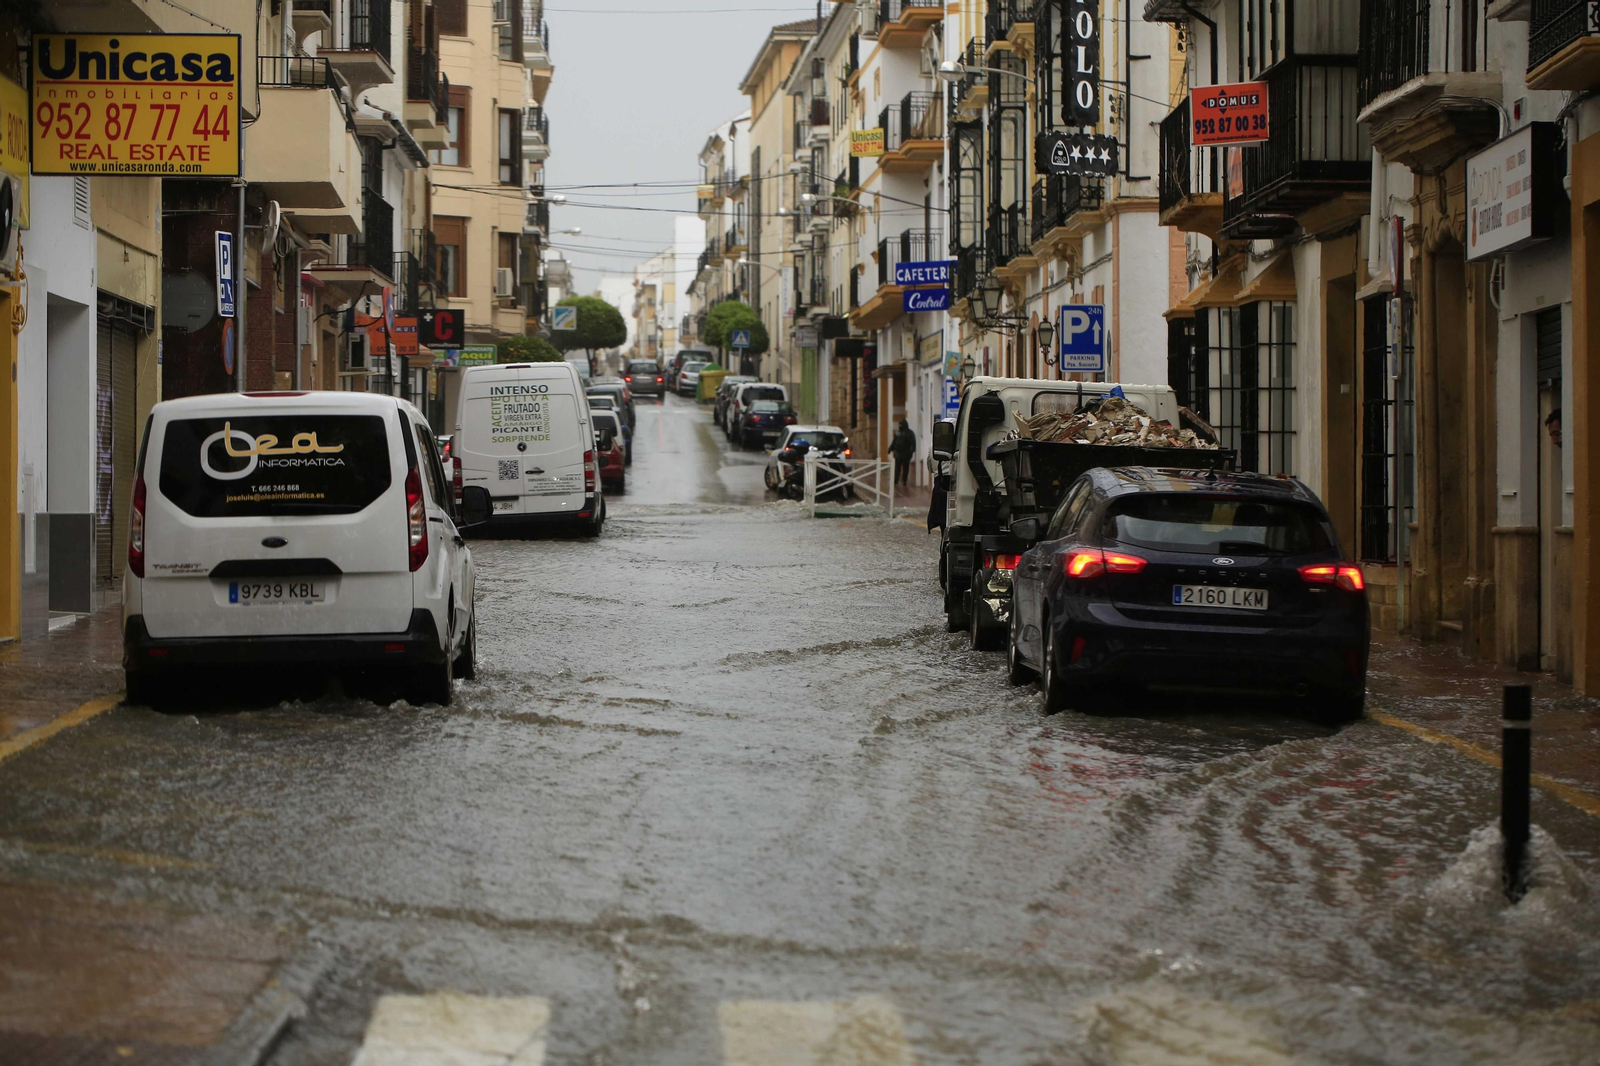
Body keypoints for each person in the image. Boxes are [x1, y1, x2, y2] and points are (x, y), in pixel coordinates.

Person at [890, 418, 916, 487]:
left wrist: (911, 451)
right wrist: (890, 449)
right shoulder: (897, 433)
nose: (900, 426)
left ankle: (904, 480)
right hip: (898, 453)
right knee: (897, 467)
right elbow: (894, 442)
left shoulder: (909, 433)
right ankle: (896, 480)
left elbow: (912, 443)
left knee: (905, 467)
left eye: (901, 425)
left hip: (906, 453)